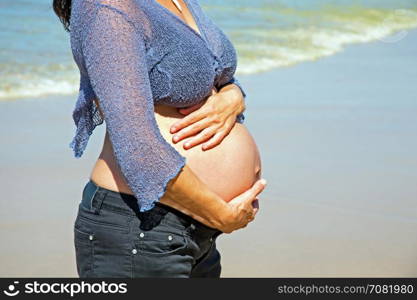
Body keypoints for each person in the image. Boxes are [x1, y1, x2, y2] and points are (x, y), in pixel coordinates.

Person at [53, 0, 267, 278]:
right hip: (139, 229)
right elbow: (136, 144)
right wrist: (220, 214)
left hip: (196, 230)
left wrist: (233, 94)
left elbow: (210, 72)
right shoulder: (106, 7)